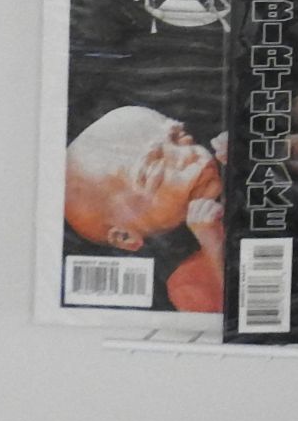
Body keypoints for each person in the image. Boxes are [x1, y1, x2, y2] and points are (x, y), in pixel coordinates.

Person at [63, 106, 225, 313]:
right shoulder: (186, 285)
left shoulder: (225, 166)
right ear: (124, 236)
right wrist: (213, 243)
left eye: (180, 137)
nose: (189, 154)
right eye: (155, 171)